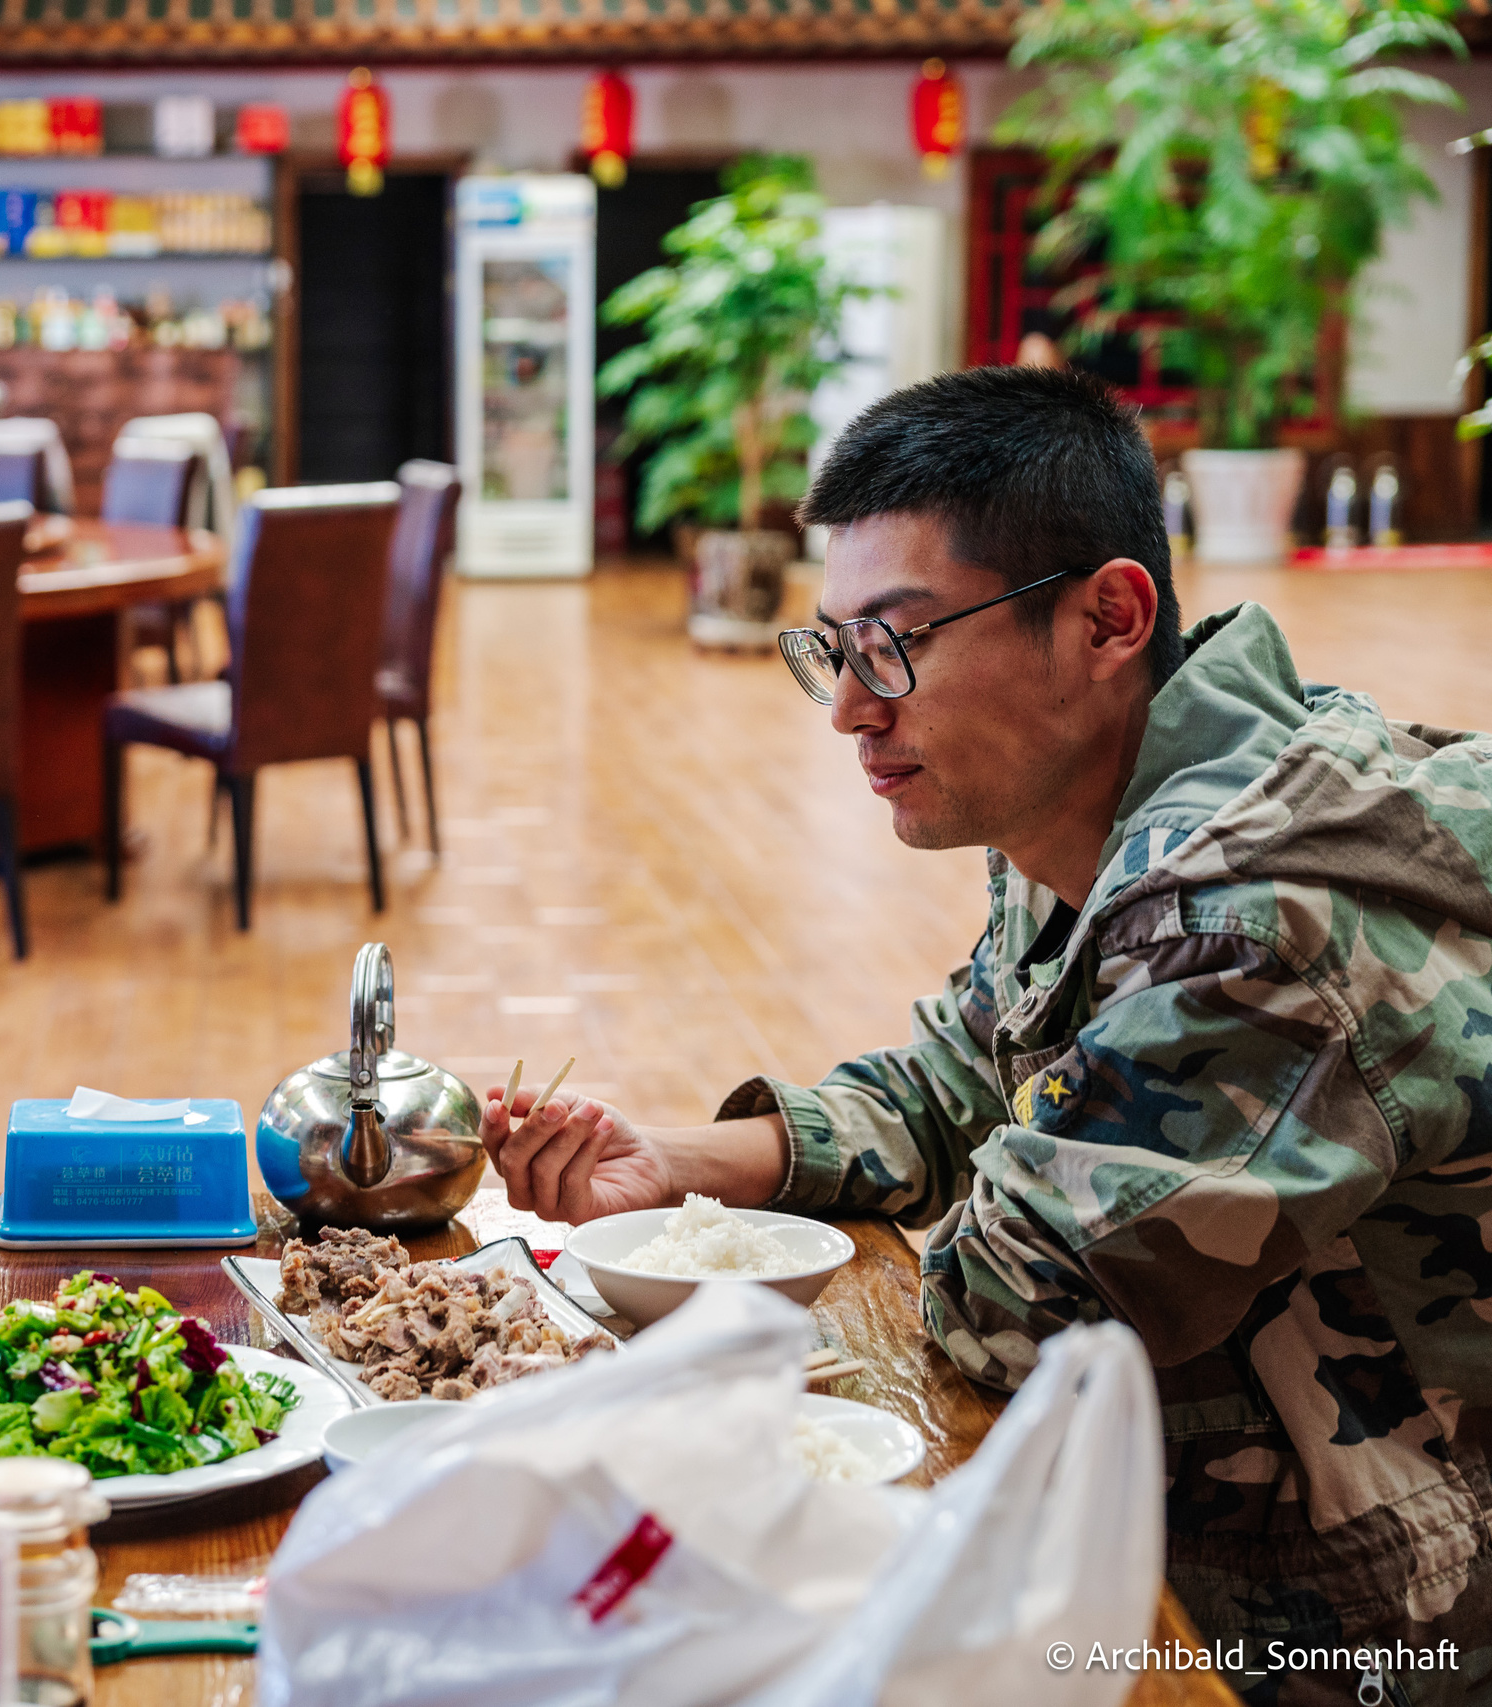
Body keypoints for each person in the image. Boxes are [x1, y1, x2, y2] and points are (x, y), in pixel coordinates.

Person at [484, 368, 1492, 1706]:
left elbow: (1018, 1302)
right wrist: (671, 1164)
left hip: (1351, 1623)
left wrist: (995, 1161)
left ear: (1107, 619)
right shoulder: (1104, 809)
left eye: (897, 642)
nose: (851, 707)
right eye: (835, 649)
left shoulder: (1253, 915)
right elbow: (962, 1080)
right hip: (1175, 1520)